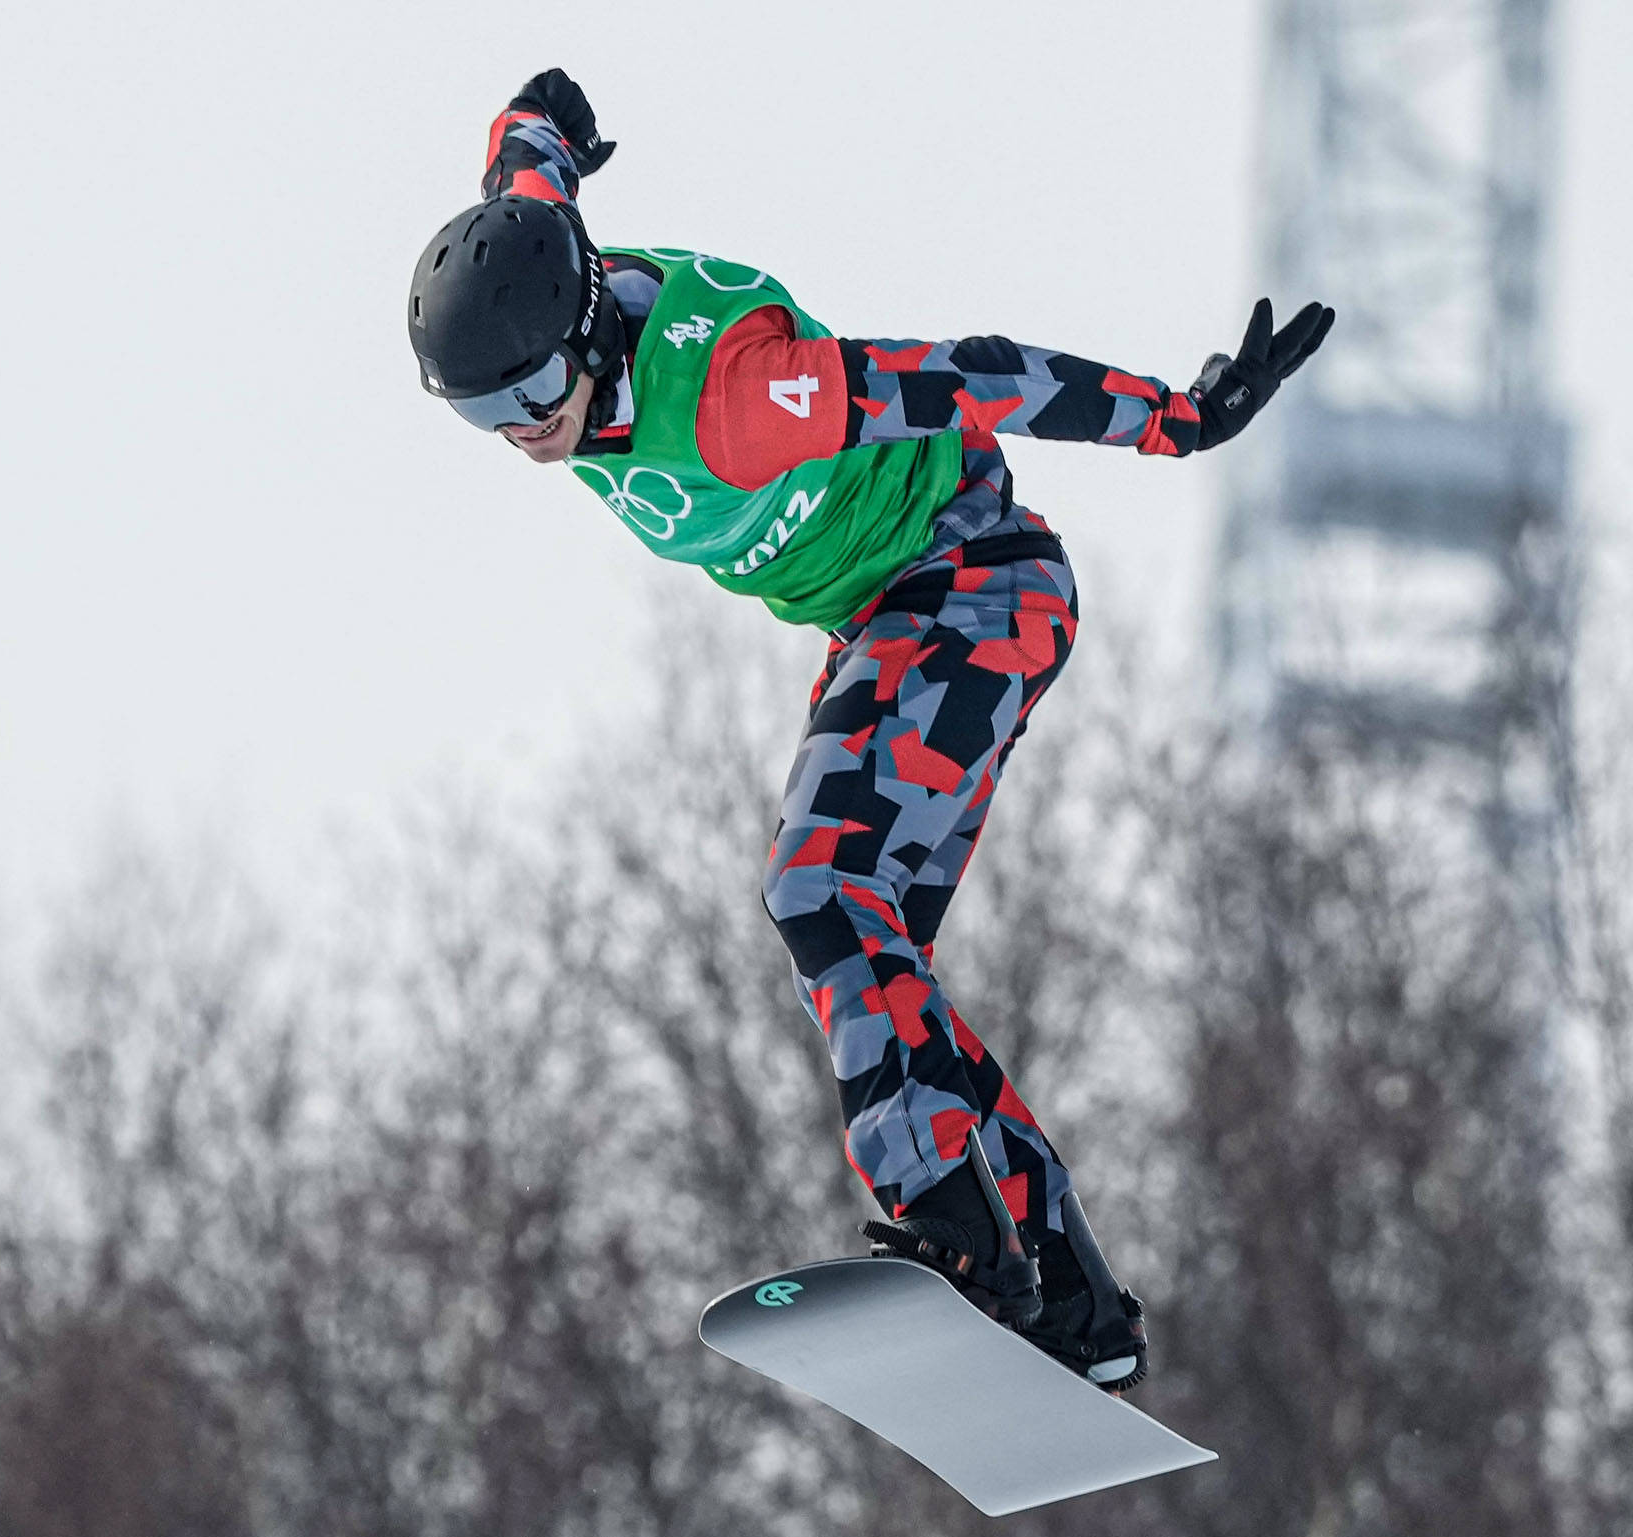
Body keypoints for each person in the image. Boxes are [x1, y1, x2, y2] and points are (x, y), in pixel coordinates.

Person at [406, 69, 1332, 1386]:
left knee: (817, 890)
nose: (524, 434)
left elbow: (969, 378)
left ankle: (951, 1236)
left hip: (975, 583)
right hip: (884, 619)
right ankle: (1074, 1306)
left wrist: (1178, 422)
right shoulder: (540, 266)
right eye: (482, 415)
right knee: (869, 954)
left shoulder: (741, 400)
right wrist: (542, 114)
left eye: (530, 396)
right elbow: (525, 163)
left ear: (586, 333)